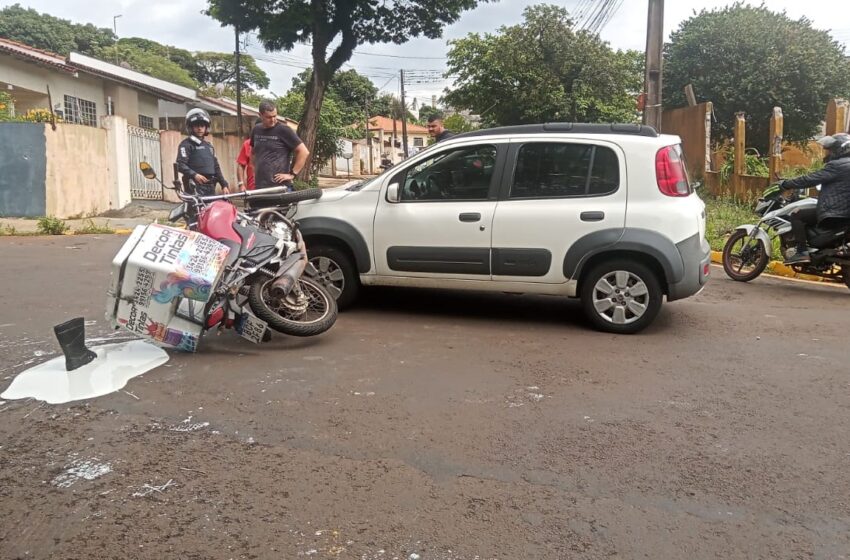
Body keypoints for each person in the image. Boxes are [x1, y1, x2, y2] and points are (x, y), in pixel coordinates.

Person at [780, 132, 850, 264]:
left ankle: (802, 252)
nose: (827, 153)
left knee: (797, 215)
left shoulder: (837, 166)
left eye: (829, 150)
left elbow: (811, 179)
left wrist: (786, 184)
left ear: (840, 149)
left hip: (836, 213)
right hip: (846, 213)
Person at [250, 101, 309, 191]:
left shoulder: (284, 130)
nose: (273, 120)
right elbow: (253, 152)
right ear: (260, 115)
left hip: (280, 187)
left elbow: (304, 152)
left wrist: (292, 174)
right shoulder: (256, 129)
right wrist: (254, 171)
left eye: (274, 116)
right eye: (269, 117)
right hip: (260, 186)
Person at [176, 108, 229, 197]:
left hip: (210, 187)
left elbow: (216, 167)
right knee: (194, 210)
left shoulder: (209, 146)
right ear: (191, 127)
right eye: (196, 125)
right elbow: (180, 164)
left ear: (206, 128)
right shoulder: (186, 145)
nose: (200, 128)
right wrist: (195, 175)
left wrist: (224, 185)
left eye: (202, 126)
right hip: (193, 187)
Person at [235, 119, 261, 192]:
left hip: (272, 187)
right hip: (253, 188)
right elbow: (240, 165)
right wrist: (241, 184)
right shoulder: (248, 144)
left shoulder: (274, 143)